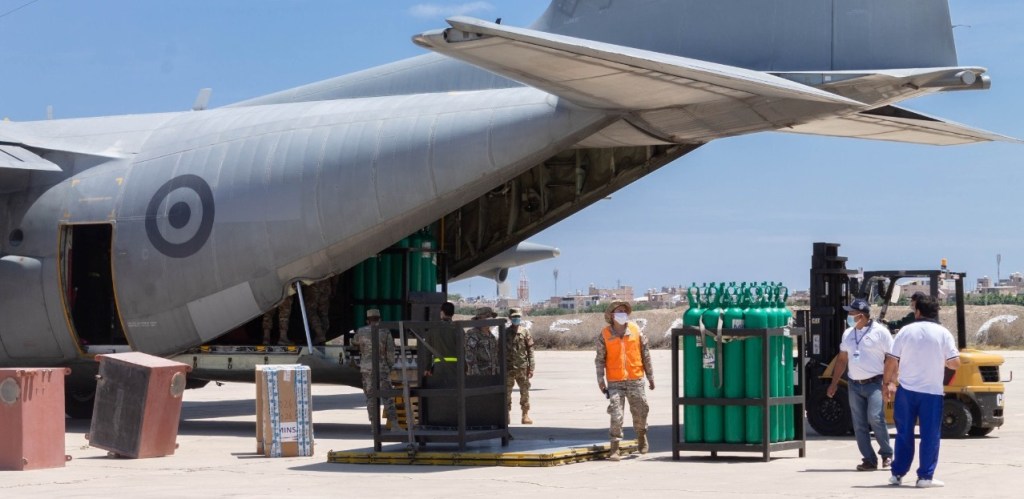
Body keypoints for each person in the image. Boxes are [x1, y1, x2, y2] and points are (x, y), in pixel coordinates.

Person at [884, 294, 960, 488]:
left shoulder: (905, 331)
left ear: (917, 311)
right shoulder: (943, 333)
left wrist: (887, 383)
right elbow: (955, 363)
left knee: (904, 433)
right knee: (930, 435)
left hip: (906, 391)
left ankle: (897, 474)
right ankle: (925, 477)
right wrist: (940, 361)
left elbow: (891, 360)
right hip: (931, 393)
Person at [827, 298, 894, 471]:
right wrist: (834, 383)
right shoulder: (848, 334)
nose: (848, 316)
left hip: (875, 383)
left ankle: (887, 454)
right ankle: (869, 460)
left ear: (861, 315)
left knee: (875, 417)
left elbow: (892, 359)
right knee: (859, 424)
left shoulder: (881, 332)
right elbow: (842, 360)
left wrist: (890, 382)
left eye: (851, 313)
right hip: (854, 384)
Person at [595, 301, 654, 460]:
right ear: (612, 315)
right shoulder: (605, 334)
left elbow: (645, 355)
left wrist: (650, 376)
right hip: (615, 382)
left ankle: (641, 435)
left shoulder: (636, 331)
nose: (623, 313)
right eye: (619, 311)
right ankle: (615, 448)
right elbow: (600, 359)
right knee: (616, 414)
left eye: (624, 311)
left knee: (641, 411)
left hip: (635, 379)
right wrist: (600, 379)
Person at [353, 308, 399, 430]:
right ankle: (394, 425)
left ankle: (374, 426)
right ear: (380, 319)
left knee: (371, 398)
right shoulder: (385, 332)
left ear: (367, 320)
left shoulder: (361, 331)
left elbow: (354, 342)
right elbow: (390, 352)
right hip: (382, 368)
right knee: (387, 396)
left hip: (367, 369)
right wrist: (389, 366)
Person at [505, 308, 535, 424]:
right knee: (507, 393)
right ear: (510, 318)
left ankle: (525, 415)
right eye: (514, 317)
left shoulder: (525, 332)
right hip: (509, 368)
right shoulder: (505, 333)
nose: (516, 319)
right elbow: (499, 351)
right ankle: (506, 414)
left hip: (522, 368)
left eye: (518, 317)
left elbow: (530, 351)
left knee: (525, 392)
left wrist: (531, 367)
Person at [465, 306, 499, 375]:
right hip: (480, 376)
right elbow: (470, 358)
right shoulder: (473, 334)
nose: (490, 318)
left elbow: (495, 358)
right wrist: (477, 377)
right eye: (487, 316)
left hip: (492, 375)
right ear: (479, 318)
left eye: (491, 316)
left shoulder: (492, 336)